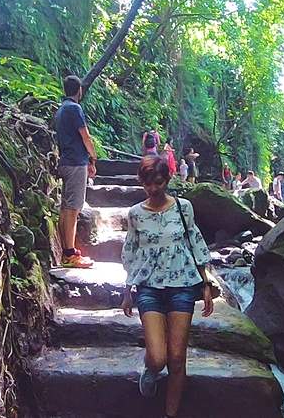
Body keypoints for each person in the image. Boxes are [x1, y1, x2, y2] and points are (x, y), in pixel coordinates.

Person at [120, 155, 213, 418]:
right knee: (158, 357)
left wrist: (205, 283)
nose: (154, 189)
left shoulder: (184, 207)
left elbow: (195, 242)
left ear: (167, 180)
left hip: (183, 285)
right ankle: (150, 370)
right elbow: (131, 252)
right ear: (142, 183)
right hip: (149, 287)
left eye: (158, 183)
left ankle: (170, 414)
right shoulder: (136, 214)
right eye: (148, 184)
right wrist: (127, 291)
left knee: (176, 358)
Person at [53, 75, 97, 269]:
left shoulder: (60, 110)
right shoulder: (74, 108)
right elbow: (85, 135)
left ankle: (66, 249)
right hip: (76, 163)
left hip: (65, 161)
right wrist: (93, 157)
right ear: (79, 90)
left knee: (66, 207)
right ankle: (69, 254)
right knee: (73, 208)